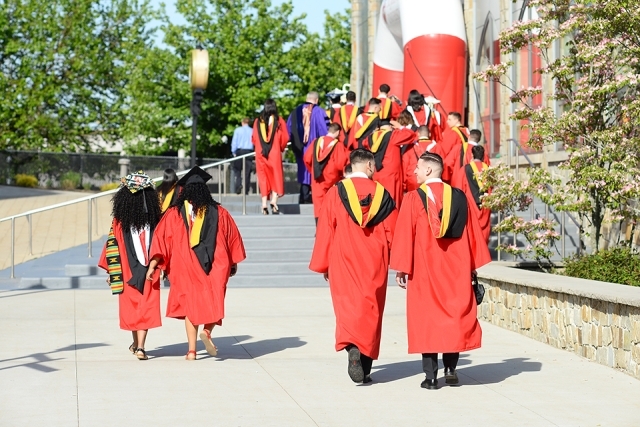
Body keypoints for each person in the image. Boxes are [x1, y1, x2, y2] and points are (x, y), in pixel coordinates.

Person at [390, 152, 491, 389]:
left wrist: (402, 268)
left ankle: (430, 377)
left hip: (424, 272)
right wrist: (471, 268)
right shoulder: (460, 197)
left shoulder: (413, 199)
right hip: (455, 271)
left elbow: (405, 235)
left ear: (428, 170)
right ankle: (451, 370)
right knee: (454, 319)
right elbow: (472, 235)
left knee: (426, 321)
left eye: (417, 167)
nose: (413, 171)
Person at [309, 149, 398, 384]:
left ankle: (352, 350)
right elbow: (392, 232)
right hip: (374, 261)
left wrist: (324, 263)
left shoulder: (336, 193)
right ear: (369, 166)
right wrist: (399, 262)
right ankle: (365, 367)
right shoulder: (383, 194)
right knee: (371, 309)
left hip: (342, 259)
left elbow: (326, 230)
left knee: (347, 307)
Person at [147, 167, 246, 360]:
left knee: (190, 307)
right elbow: (232, 238)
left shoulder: (174, 214)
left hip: (184, 266)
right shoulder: (220, 212)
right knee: (214, 299)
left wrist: (154, 264)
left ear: (185, 191)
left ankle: (191, 351)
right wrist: (233, 263)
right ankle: (207, 331)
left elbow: (161, 239)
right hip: (215, 265)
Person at [98, 171, 162, 361]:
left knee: (138, 308)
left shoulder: (123, 221)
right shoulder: (154, 221)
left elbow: (112, 246)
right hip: (146, 270)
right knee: (142, 307)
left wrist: (112, 271)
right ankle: (138, 345)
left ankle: (139, 345)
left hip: (133, 270)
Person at [287, 92, 330, 204]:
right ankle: (310, 196)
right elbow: (324, 131)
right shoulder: (320, 111)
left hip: (300, 148)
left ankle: (303, 196)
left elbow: (289, 129)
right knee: (314, 170)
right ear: (316, 100)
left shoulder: (295, 112)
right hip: (314, 148)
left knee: (303, 171)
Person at [303, 123, 349, 223]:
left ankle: (319, 229)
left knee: (318, 203)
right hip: (332, 178)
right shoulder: (338, 145)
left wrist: (313, 171)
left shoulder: (316, 142)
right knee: (332, 203)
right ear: (337, 132)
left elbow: (306, 158)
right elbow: (340, 164)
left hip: (317, 179)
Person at [252, 99, 289, 215]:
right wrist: (281, 147)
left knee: (263, 178)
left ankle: (264, 204)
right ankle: (273, 201)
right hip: (274, 153)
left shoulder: (258, 121)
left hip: (261, 153)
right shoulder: (279, 121)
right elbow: (285, 138)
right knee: (275, 176)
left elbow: (253, 138)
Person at [368, 119, 416, 208]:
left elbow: (364, 143)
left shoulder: (371, 137)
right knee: (392, 202)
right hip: (392, 175)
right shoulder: (393, 135)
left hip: (376, 173)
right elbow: (411, 134)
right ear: (390, 126)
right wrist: (400, 127)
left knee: (378, 201)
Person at [452, 145, 492, 243]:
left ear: (472, 155)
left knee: (472, 233)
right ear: (483, 157)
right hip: (485, 205)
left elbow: (458, 189)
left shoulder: (464, 169)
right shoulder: (489, 170)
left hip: (470, 205)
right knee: (484, 232)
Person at [402, 126, 446, 192]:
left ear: (418, 134)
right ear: (429, 134)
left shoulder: (411, 147)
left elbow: (405, 164)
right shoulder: (437, 146)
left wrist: (404, 184)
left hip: (413, 179)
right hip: (431, 179)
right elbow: (443, 164)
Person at [231, 117, 254, 195]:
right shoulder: (252, 131)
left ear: (242, 122)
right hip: (249, 152)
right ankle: (246, 190)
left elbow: (234, 142)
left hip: (240, 151)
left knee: (237, 170)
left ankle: (238, 185)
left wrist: (233, 152)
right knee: (247, 172)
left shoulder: (238, 130)